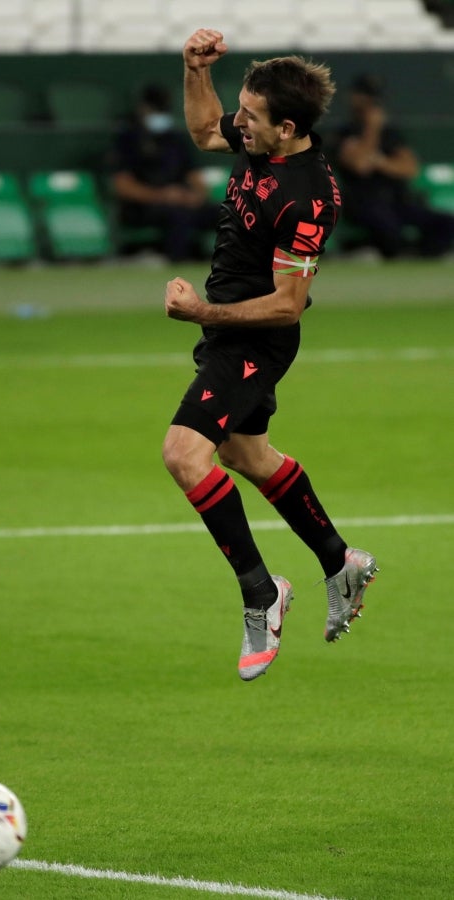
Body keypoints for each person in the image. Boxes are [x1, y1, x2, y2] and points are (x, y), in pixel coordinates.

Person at [160, 28, 377, 682]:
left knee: (183, 454)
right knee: (245, 454)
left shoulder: (308, 197)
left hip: (255, 338)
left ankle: (260, 593)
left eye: (249, 118)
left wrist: (200, 310)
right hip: (226, 334)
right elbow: (202, 131)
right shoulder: (262, 139)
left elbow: (286, 304)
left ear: (286, 129)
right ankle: (340, 561)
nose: (237, 124)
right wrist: (193, 69)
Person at [332, 74, 454, 258]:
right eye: (365, 96)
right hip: (363, 203)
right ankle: (357, 250)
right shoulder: (343, 133)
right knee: (387, 227)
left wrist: (380, 162)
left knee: (445, 224)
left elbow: (410, 168)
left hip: (397, 201)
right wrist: (371, 129)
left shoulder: (391, 135)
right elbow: (361, 165)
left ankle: (418, 256)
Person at [109, 83, 220, 261]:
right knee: (178, 215)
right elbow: (123, 186)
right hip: (143, 207)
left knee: (224, 213)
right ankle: (178, 265)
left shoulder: (175, 139)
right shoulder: (128, 139)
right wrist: (163, 196)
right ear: (142, 109)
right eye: (155, 110)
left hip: (180, 200)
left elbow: (194, 177)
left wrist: (195, 196)